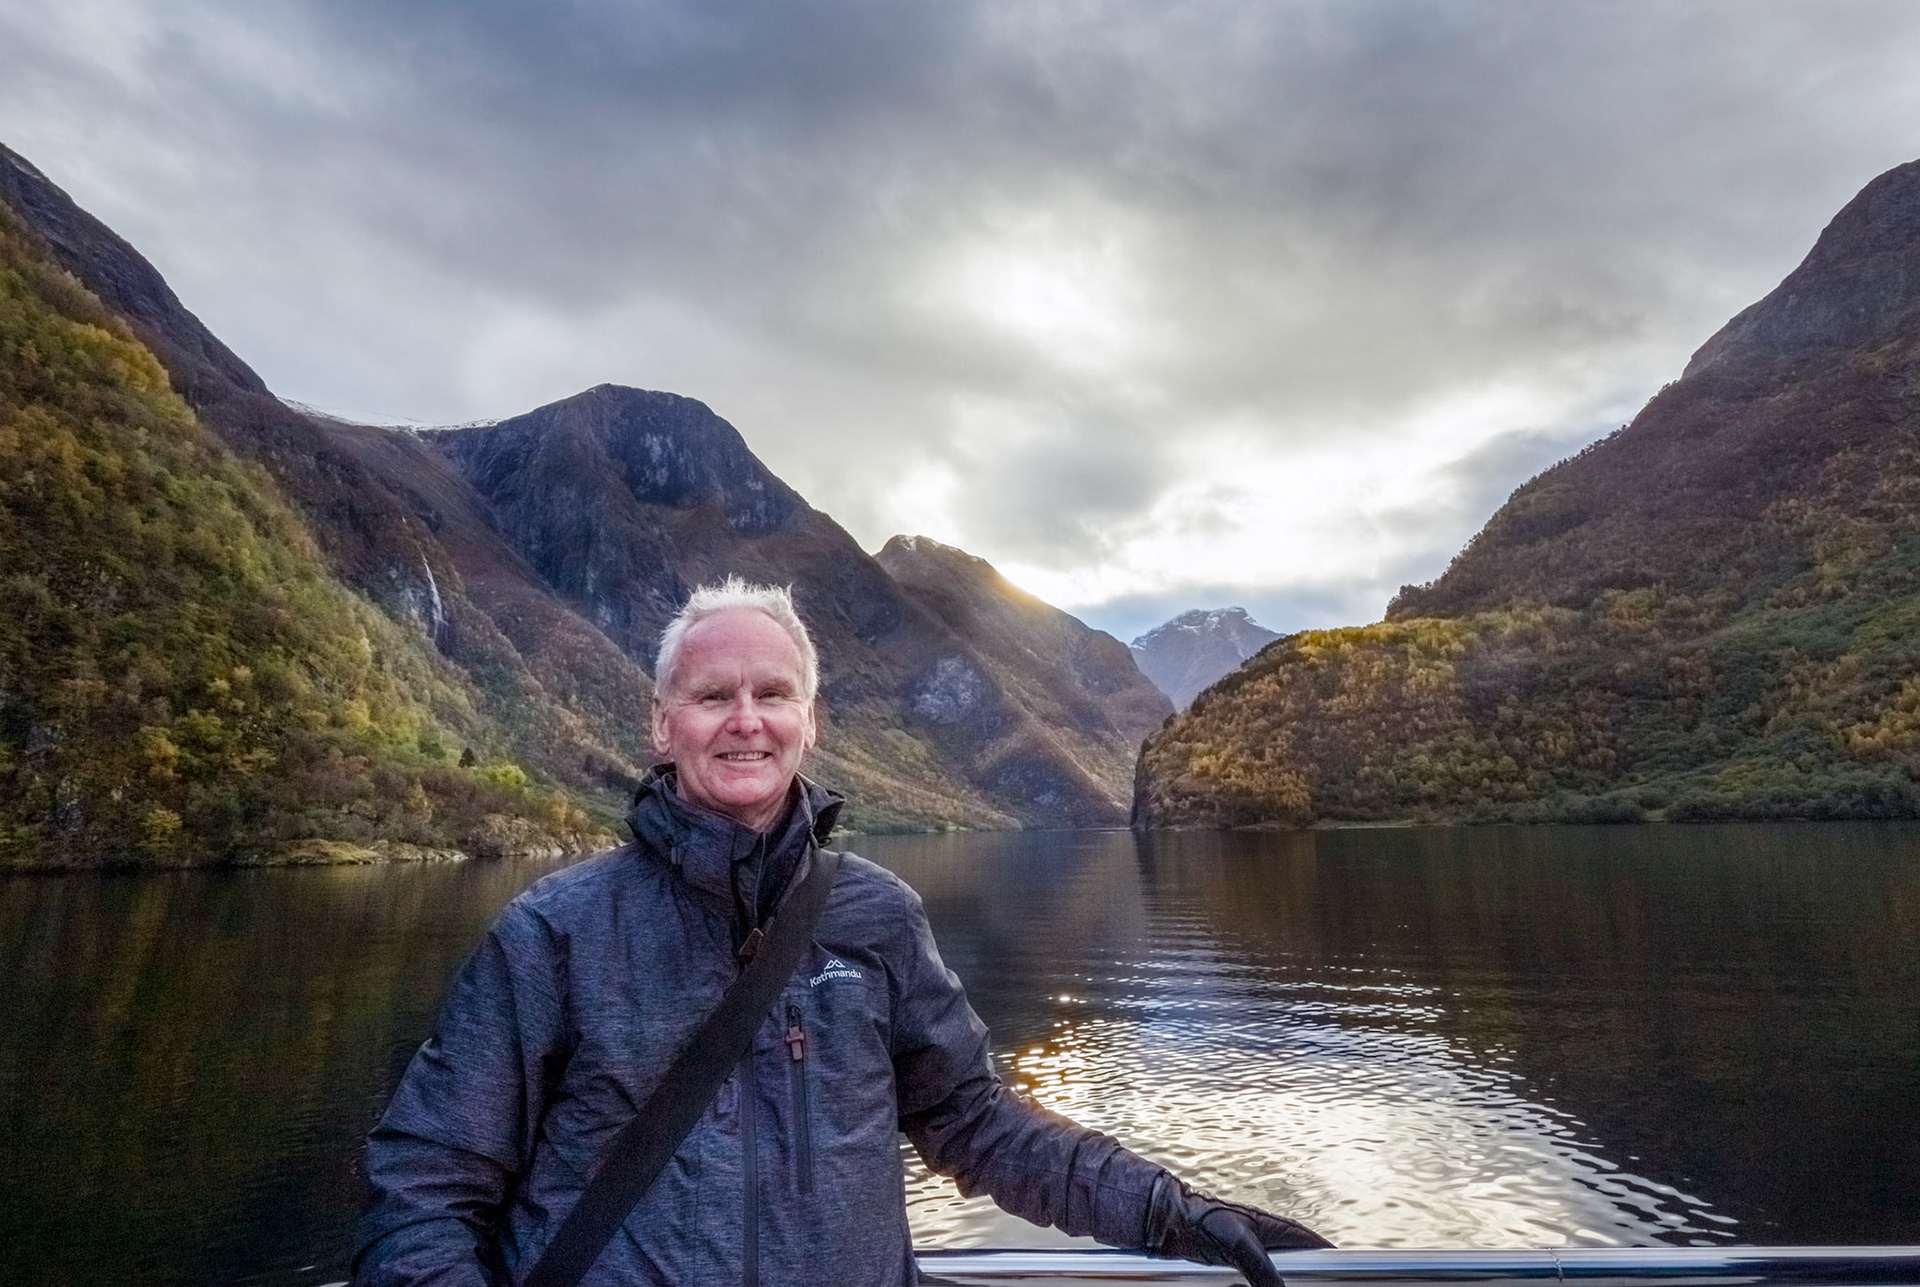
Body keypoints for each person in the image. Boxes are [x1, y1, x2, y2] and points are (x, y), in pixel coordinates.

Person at [355, 578, 1331, 1287]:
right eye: (712, 696)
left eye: (772, 693)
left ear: (810, 721)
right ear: (662, 726)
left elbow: (975, 1123)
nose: (746, 720)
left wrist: (1171, 1212)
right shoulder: (552, 935)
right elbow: (424, 1194)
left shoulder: (876, 918)